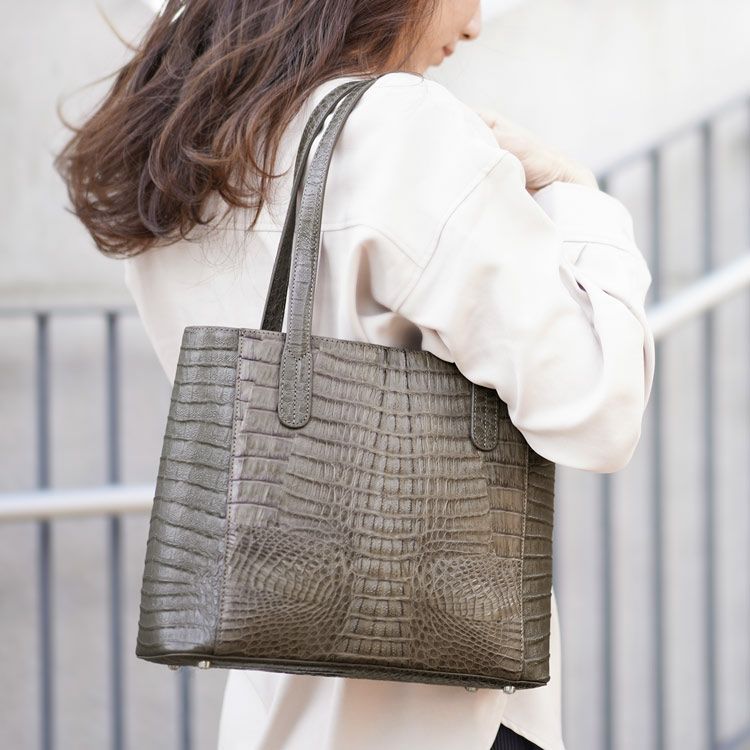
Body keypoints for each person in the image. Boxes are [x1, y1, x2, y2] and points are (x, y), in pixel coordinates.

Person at [54, 1, 655, 748]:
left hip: (271, 713)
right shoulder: (396, 128)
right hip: (443, 720)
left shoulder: (182, 154)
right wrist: (577, 195)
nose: (476, 24)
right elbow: (597, 411)